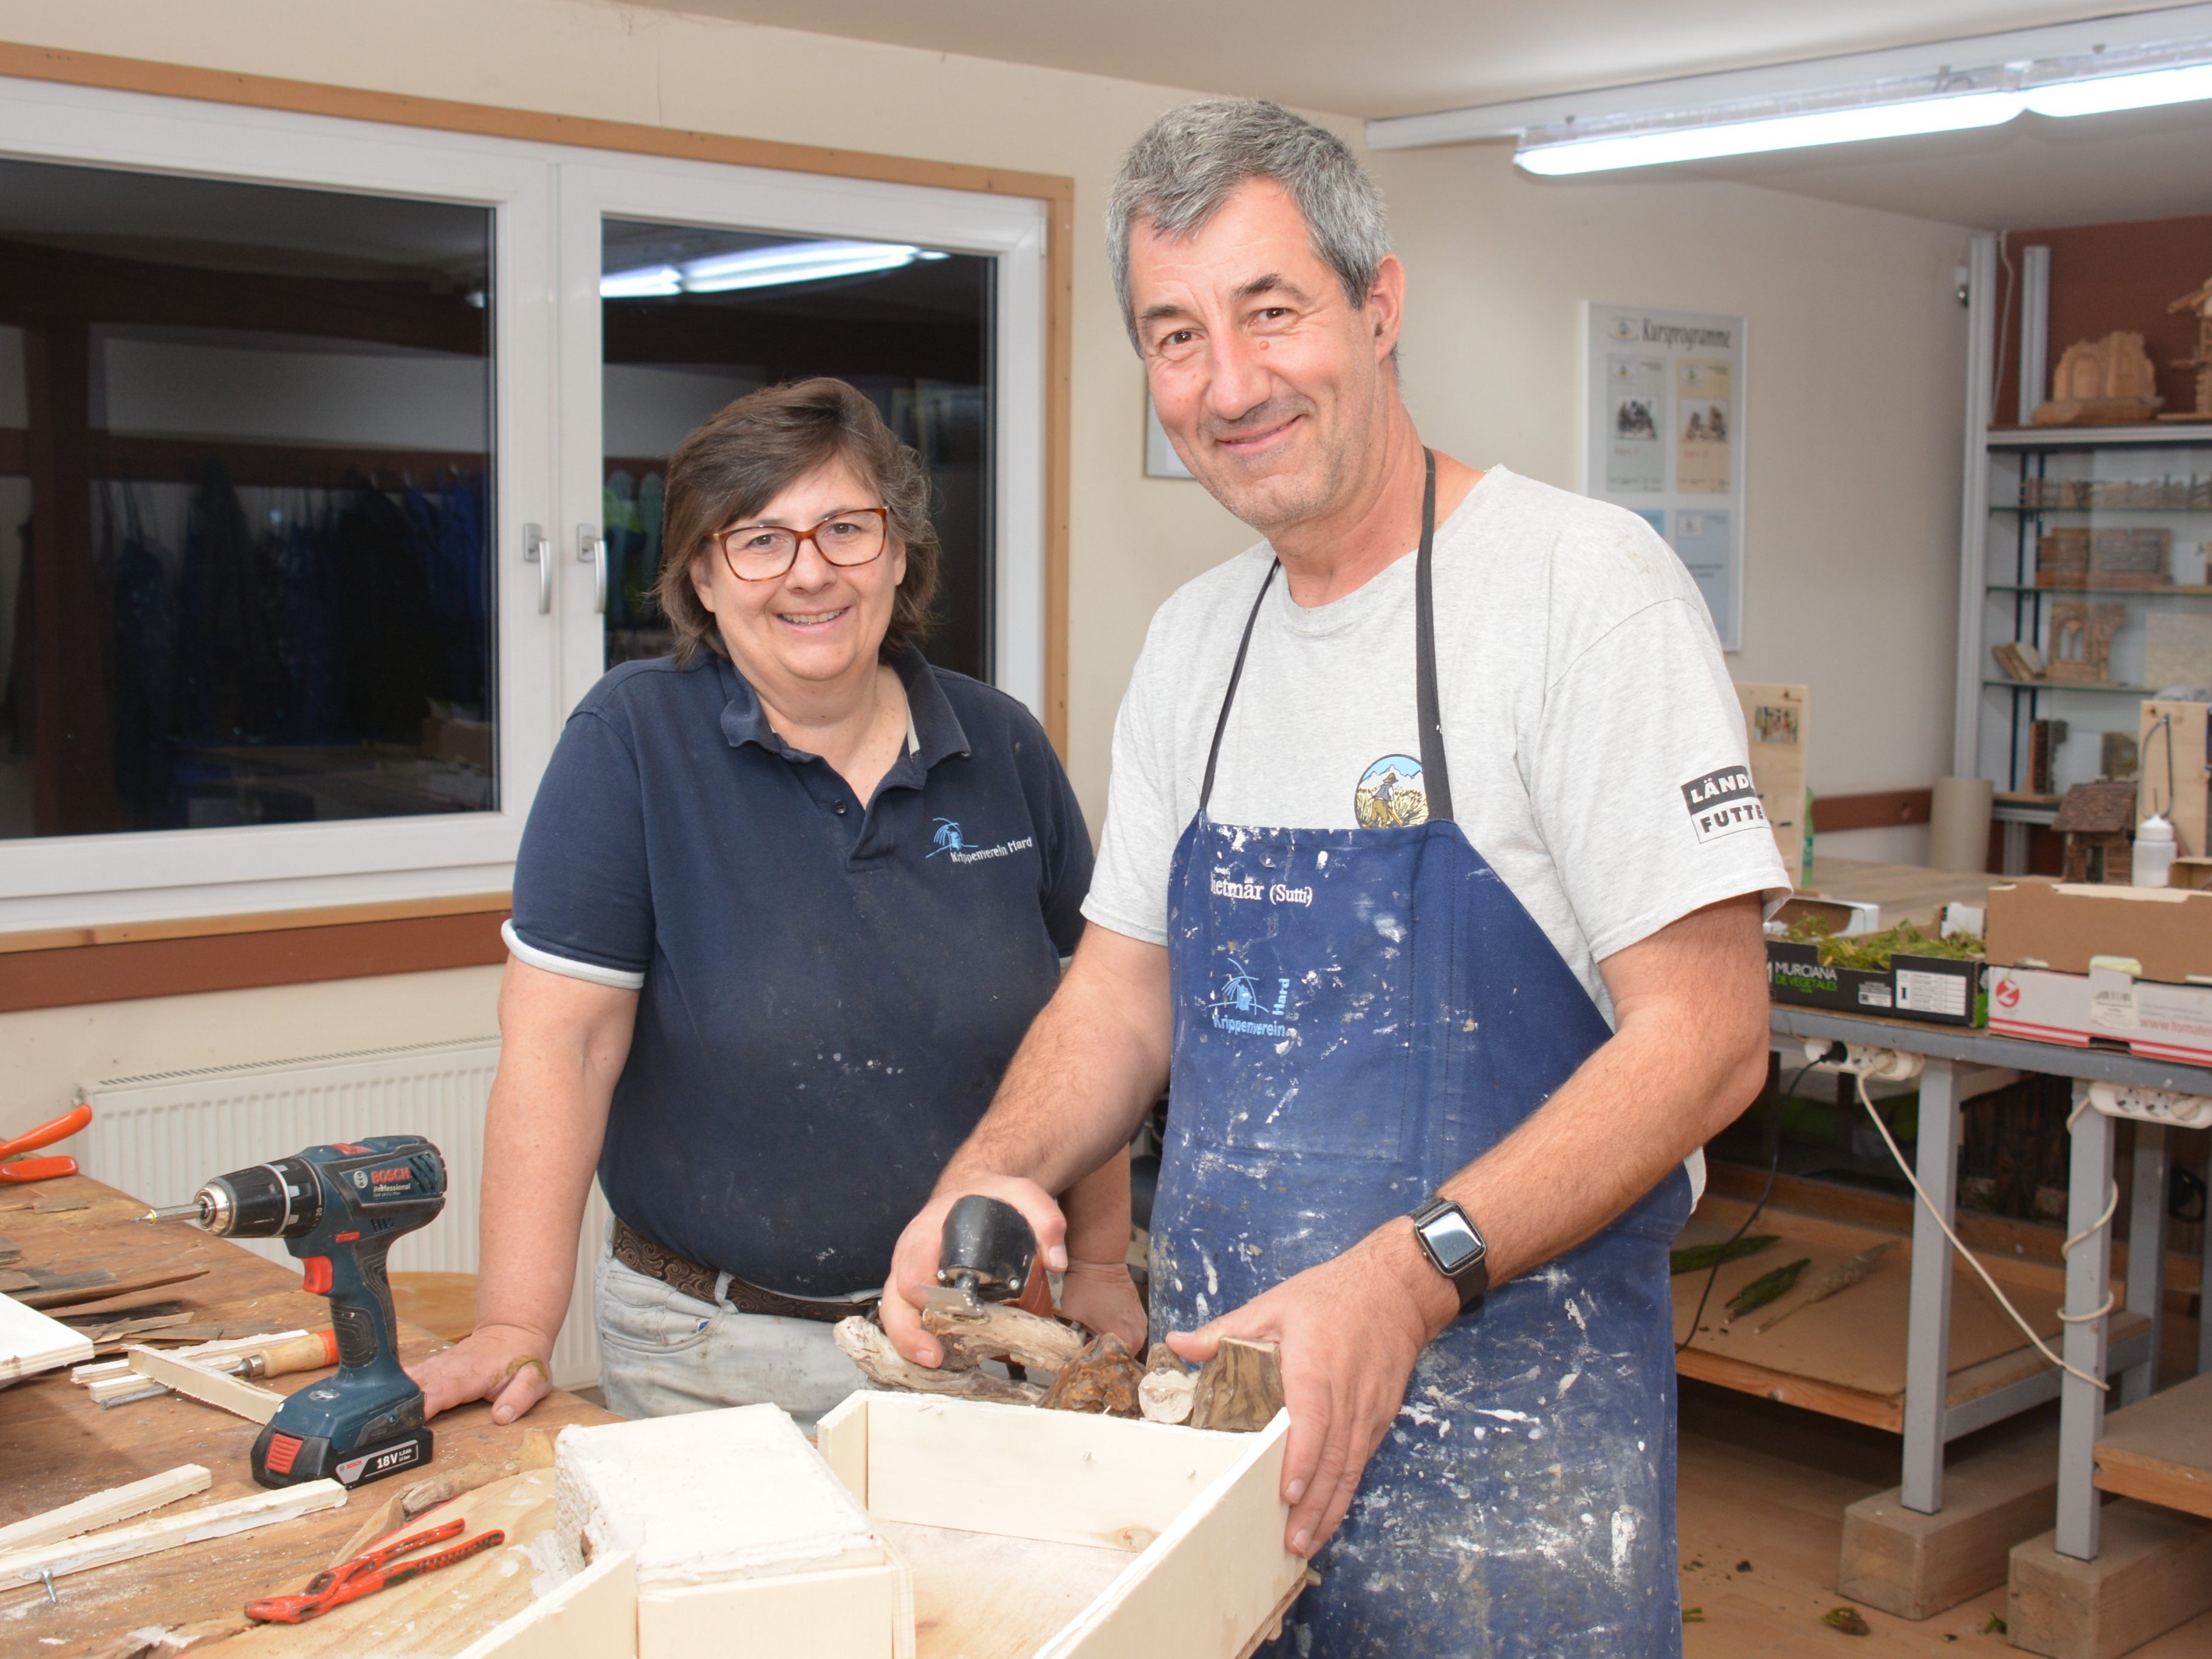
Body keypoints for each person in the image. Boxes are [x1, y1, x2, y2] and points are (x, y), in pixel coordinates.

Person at [881, 103, 1784, 1654]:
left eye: (1270, 311)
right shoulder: (1194, 646)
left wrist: (1412, 1277)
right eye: (1174, 335)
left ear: (1381, 307)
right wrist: (989, 1165)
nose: (1226, 384)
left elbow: (1707, 1038)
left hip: (1518, 1476)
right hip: (1227, 1447)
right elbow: (1122, 989)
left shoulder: (1580, 590)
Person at [413, 378, 1143, 1430]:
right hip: (713, 1357)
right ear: (702, 576)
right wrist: (513, 1329)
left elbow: (1093, 1020)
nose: (809, 573)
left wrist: (1105, 1262)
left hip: (979, 1346)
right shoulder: (632, 739)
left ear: (899, 551)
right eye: (758, 539)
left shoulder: (1003, 745)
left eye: (846, 529)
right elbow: (559, 1049)